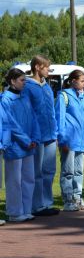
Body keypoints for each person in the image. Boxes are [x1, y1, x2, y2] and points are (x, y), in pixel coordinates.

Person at [2, 68, 40, 222]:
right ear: (12, 81)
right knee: (14, 181)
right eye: (22, 80)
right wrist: (26, 140)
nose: (25, 83)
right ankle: (14, 212)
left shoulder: (24, 97)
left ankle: (26, 209)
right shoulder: (5, 100)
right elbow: (10, 123)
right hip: (15, 146)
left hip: (29, 145)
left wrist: (35, 138)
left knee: (28, 178)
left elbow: (33, 119)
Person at [24, 55, 59, 216]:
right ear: (37, 67)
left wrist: (55, 132)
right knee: (36, 172)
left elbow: (51, 111)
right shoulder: (28, 86)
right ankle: (36, 205)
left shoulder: (46, 86)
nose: (48, 71)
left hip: (50, 134)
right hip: (36, 136)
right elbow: (27, 112)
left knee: (49, 170)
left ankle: (46, 202)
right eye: (46, 67)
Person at [56, 69, 84, 211]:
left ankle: (77, 197)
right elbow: (60, 119)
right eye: (82, 81)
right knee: (68, 171)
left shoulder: (83, 97)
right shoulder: (64, 96)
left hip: (81, 141)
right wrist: (63, 140)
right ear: (73, 81)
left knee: (78, 171)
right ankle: (68, 199)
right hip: (69, 141)